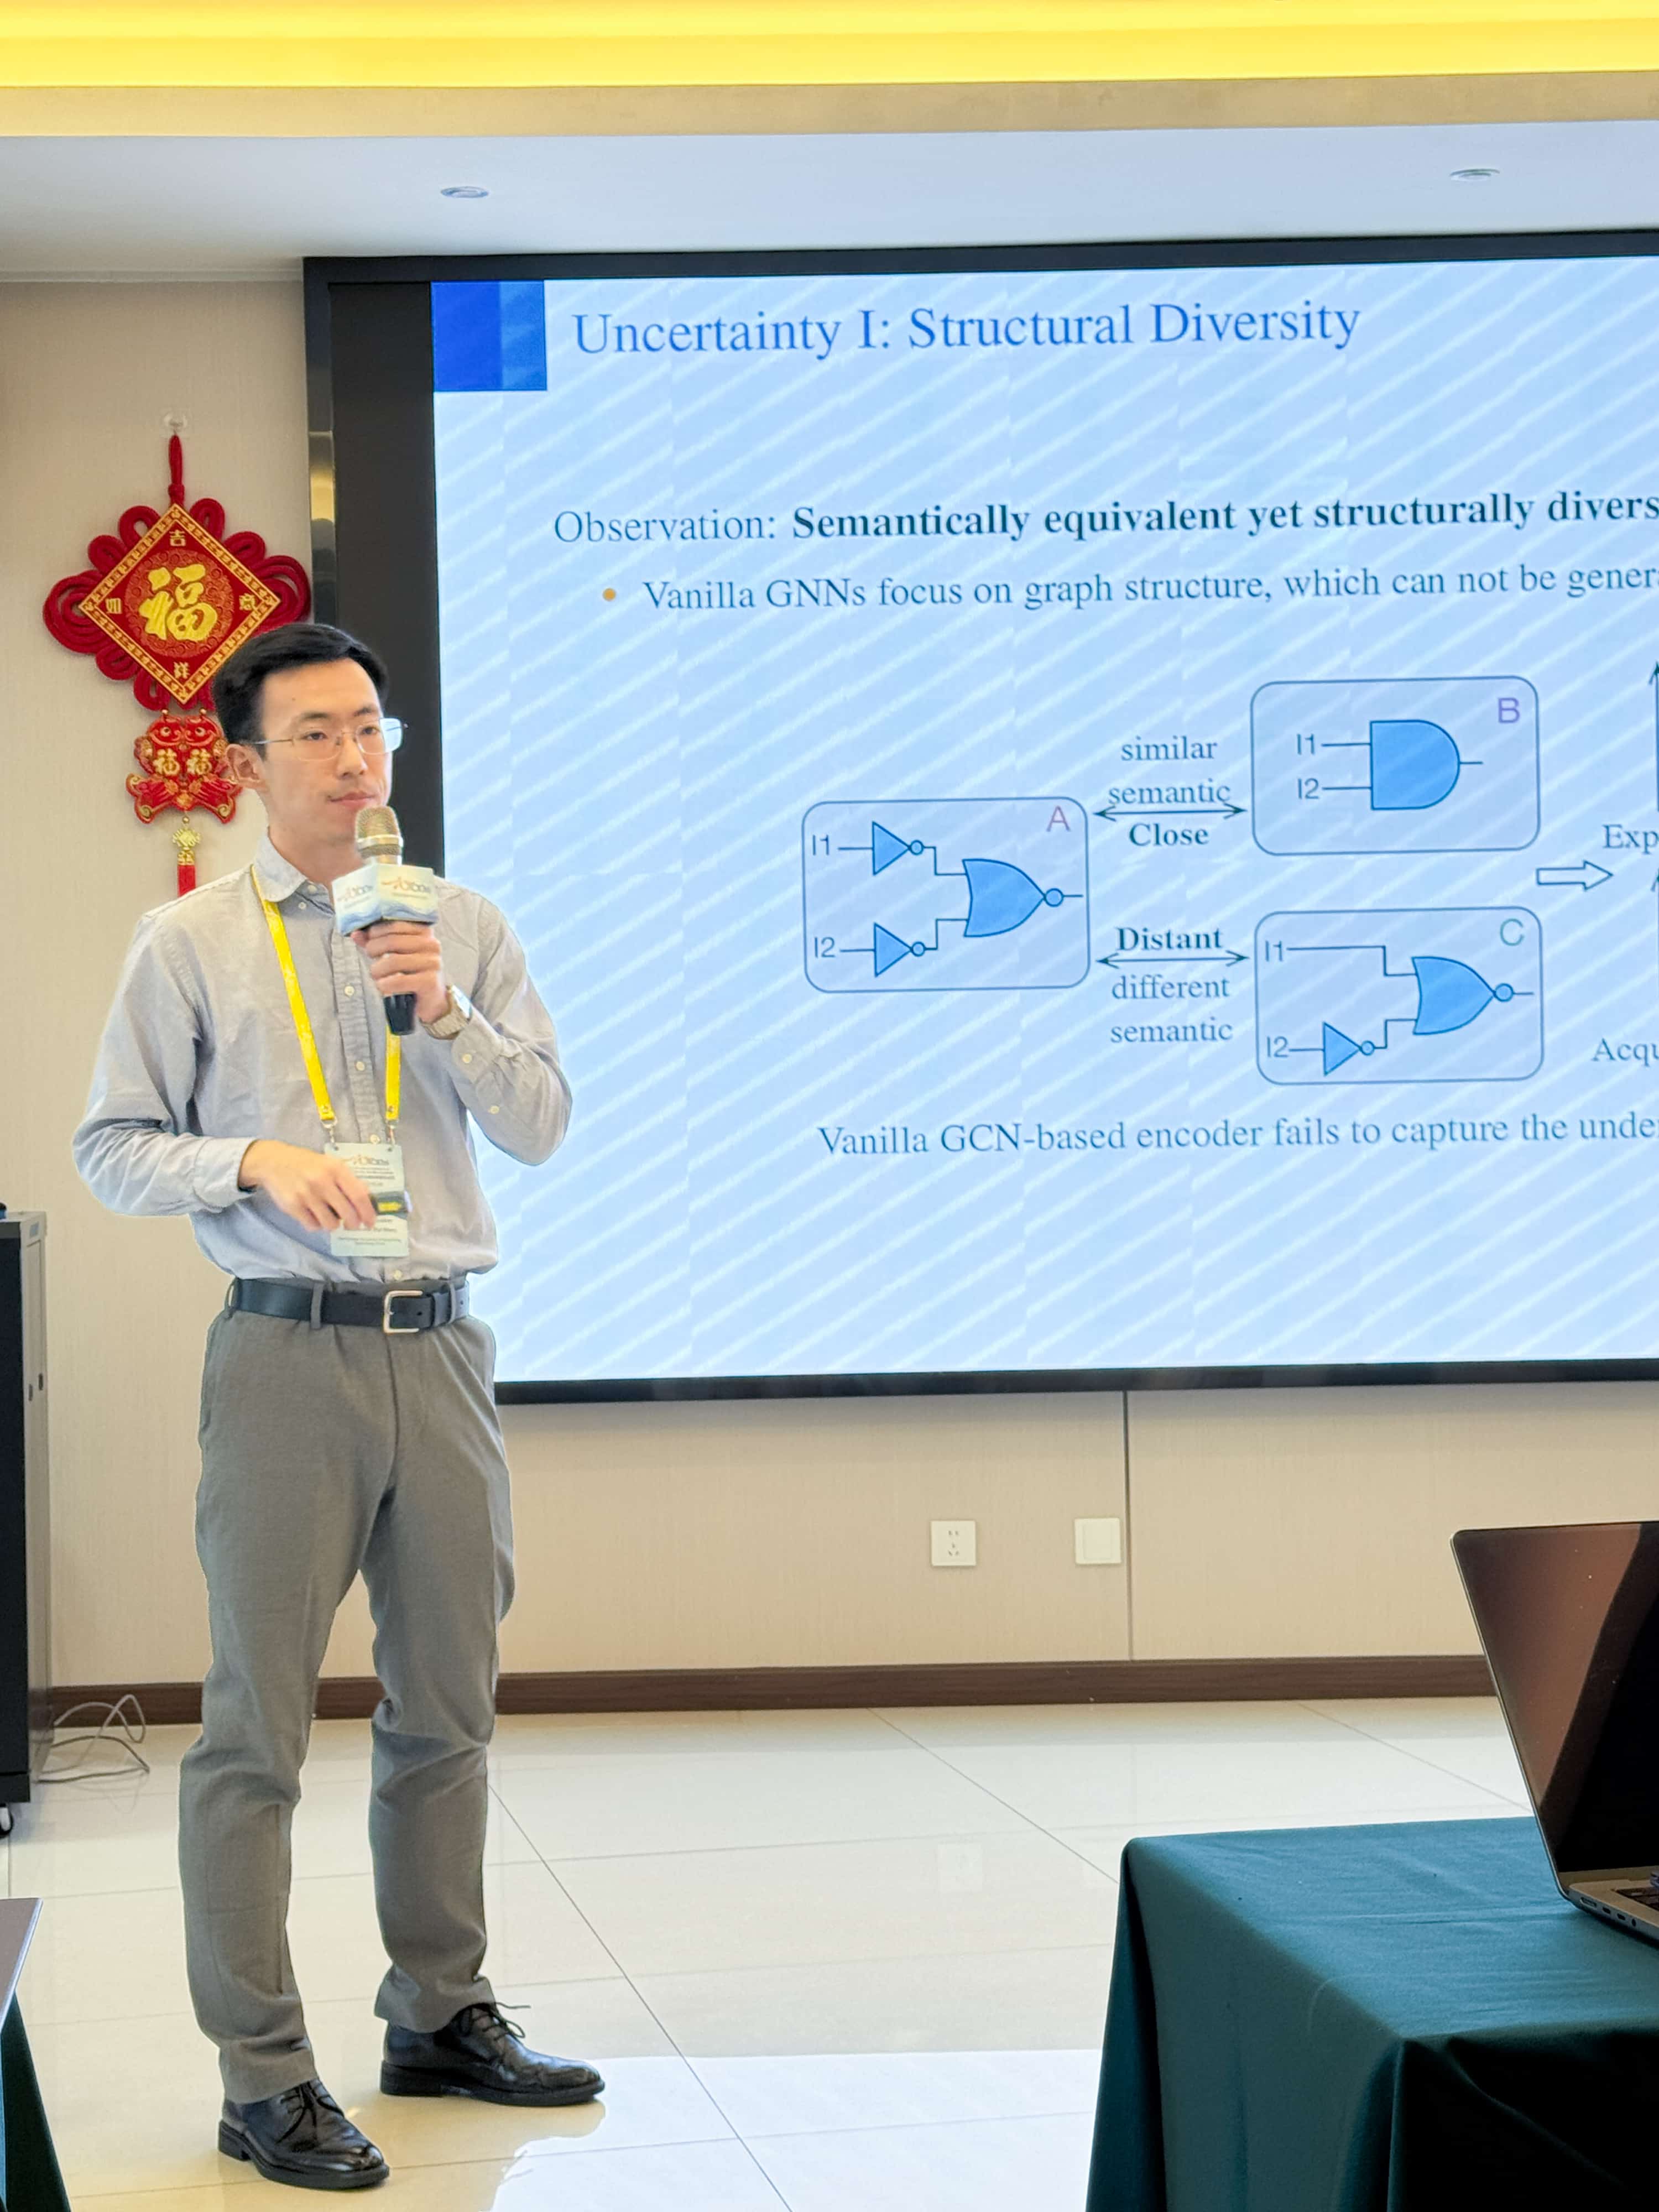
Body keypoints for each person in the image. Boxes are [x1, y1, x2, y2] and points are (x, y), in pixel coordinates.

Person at [74, 622, 602, 2192]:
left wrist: (446, 1013)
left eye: (372, 729)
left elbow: (544, 1125)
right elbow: (112, 1148)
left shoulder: (459, 926)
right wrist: (248, 1159)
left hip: (439, 1350)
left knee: (447, 1712)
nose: (355, 758)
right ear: (247, 765)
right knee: (256, 1733)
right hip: (284, 1359)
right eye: (316, 733)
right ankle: (263, 2076)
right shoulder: (188, 943)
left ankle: (438, 2014)